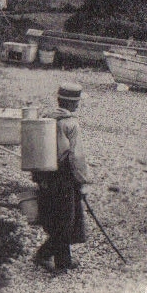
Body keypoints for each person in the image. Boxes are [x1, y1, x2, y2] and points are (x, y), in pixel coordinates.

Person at [32, 83, 90, 271]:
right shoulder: (71, 124)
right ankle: (43, 255)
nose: (78, 106)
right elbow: (76, 156)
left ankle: (63, 261)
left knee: (57, 218)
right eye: (77, 102)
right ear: (73, 104)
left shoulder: (45, 119)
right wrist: (82, 180)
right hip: (64, 177)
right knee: (66, 220)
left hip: (45, 175)